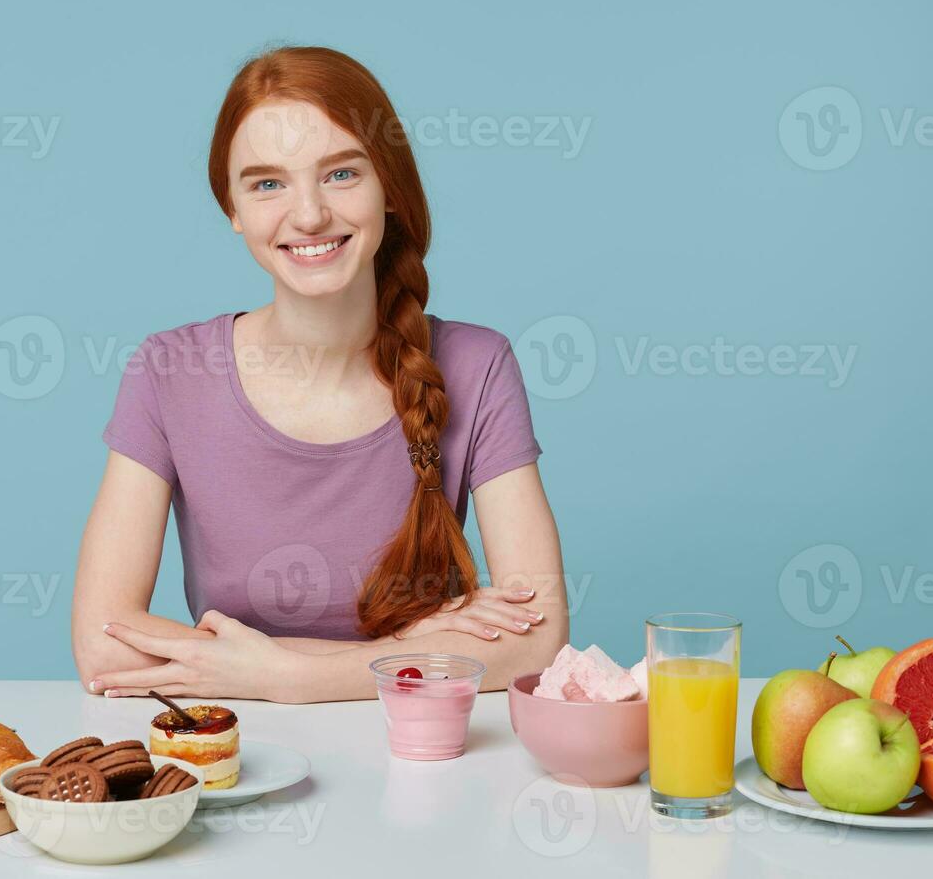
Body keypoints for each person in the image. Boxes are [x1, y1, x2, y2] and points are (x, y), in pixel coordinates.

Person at [71, 46, 567, 702]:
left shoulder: (478, 365)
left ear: (388, 186)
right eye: (267, 183)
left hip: (422, 751)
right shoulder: (170, 371)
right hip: (241, 754)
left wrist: (290, 676)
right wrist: (412, 654)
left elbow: (539, 640)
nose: (308, 215)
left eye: (340, 174)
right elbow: (104, 646)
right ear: (234, 209)